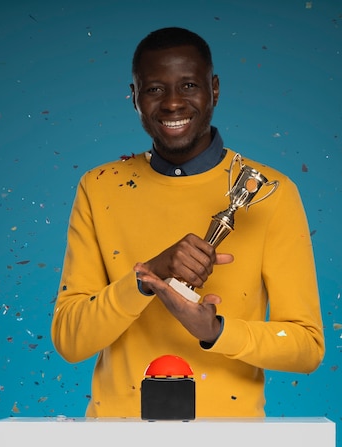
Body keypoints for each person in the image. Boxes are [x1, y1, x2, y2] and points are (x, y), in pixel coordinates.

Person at [51, 27, 324, 418]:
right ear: (134, 97)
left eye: (189, 85)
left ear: (214, 89)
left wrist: (216, 332)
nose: (173, 104)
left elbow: (306, 346)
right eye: (155, 89)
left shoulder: (272, 193)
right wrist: (147, 278)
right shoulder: (99, 188)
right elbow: (70, 340)